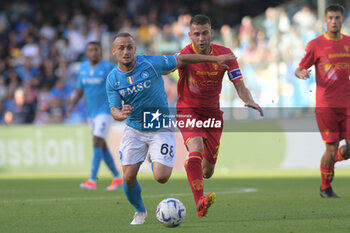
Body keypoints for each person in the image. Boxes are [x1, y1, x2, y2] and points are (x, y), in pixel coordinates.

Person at [106, 32, 235, 225]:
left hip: (160, 127)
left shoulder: (151, 63)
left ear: (135, 49)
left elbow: (182, 58)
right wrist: (120, 114)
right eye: (121, 48)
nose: (126, 51)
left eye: (129, 47)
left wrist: (213, 59)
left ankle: (153, 157)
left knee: (162, 177)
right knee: (128, 177)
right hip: (134, 129)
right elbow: (114, 110)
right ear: (114, 51)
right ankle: (140, 211)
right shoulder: (113, 79)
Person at [176, 14, 263, 218]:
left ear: (211, 33)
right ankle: (200, 201)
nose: (201, 38)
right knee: (195, 148)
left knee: (207, 172)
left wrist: (247, 99)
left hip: (212, 114)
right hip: (187, 110)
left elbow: (239, 85)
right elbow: (168, 66)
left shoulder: (226, 55)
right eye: (196, 34)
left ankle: (193, 165)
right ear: (190, 35)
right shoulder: (184, 55)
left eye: (205, 33)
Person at [295, 4, 350, 198]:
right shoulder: (316, 44)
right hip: (326, 105)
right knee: (331, 146)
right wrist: (302, 73)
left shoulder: (349, 43)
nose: (334, 21)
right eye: (331, 18)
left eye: (337, 18)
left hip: (347, 103)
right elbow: (299, 68)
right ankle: (325, 187)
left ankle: (331, 161)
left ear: (343, 20)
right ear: (325, 20)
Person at [66, 41, 123, 191]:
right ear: (86, 53)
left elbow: (119, 85)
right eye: (90, 50)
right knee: (102, 145)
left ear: (100, 51)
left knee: (97, 140)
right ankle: (117, 177)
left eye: (96, 49)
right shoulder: (83, 68)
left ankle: (92, 179)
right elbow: (79, 90)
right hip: (91, 114)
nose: (94, 52)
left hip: (106, 111)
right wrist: (71, 106)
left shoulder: (108, 67)